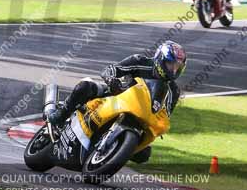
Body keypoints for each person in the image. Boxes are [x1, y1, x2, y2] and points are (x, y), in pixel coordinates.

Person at [44, 41, 187, 163]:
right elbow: (111, 69)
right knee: (85, 87)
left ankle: (115, 150)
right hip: (114, 95)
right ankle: (60, 115)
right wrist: (112, 79)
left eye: (177, 67)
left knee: (144, 154)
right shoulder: (140, 62)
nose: (173, 70)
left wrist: (157, 126)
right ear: (160, 58)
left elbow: (165, 114)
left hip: (141, 115)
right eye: (170, 64)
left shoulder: (173, 91)